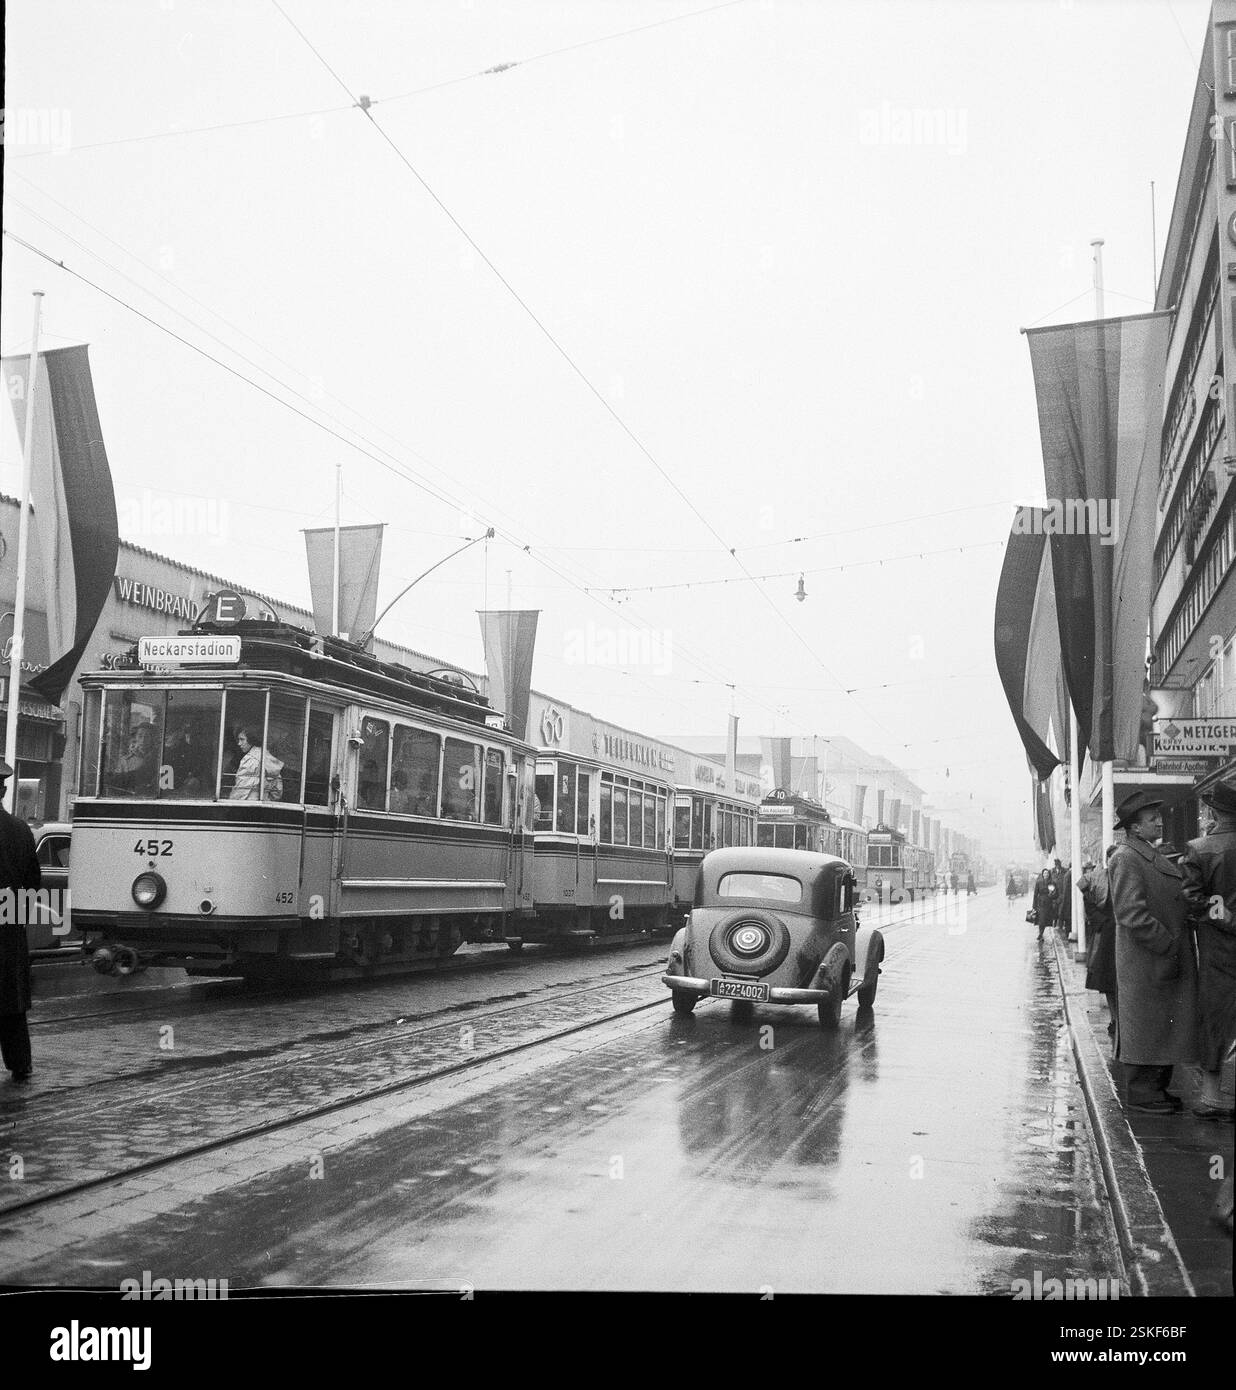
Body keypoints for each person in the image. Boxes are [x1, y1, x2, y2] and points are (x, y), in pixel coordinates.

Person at [1108, 789, 1199, 1115]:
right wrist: (1167, 942)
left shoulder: (1145, 853)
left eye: (1159, 817)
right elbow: (1130, 913)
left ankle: (1156, 1088)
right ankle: (1143, 1093)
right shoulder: (1127, 857)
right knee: (1148, 1026)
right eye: (1152, 819)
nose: (1159, 823)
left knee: (1161, 1025)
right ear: (1134, 827)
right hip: (1148, 959)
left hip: (1158, 959)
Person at [1179, 781, 1236, 1122]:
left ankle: (1214, 1095)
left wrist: (1224, 916)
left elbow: (1193, 897)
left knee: (1216, 1016)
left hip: (1216, 948)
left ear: (1213, 812)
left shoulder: (1199, 850)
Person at [0, 758, 39, 1083]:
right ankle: (20, 1063)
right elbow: (32, 883)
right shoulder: (20, 830)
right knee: (11, 1002)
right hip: (9, 926)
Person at [1080, 852, 1118, 1044]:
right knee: (1108, 980)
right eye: (1111, 859)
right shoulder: (1097, 878)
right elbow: (1088, 902)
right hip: (1107, 934)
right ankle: (1114, 1019)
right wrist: (1101, 922)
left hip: (1125, 932)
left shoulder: (1127, 875)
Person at [228, 728, 283, 802]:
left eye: (242, 739)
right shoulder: (268, 756)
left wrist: (230, 802)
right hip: (265, 804)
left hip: (248, 804)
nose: (239, 743)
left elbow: (240, 790)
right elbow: (277, 792)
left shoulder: (250, 759)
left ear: (251, 740)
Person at [1031, 868, 1058, 940]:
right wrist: (1034, 905)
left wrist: (1051, 895)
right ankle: (1040, 934)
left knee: (1045, 920)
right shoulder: (1039, 882)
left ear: (1049, 874)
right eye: (1044, 873)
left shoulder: (1052, 883)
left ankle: (1041, 933)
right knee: (1041, 920)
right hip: (1040, 903)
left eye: (1047, 873)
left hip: (1049, 903)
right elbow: (1035, 894)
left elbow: (1056, 894)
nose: (1046, 874)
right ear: (1042, 874)